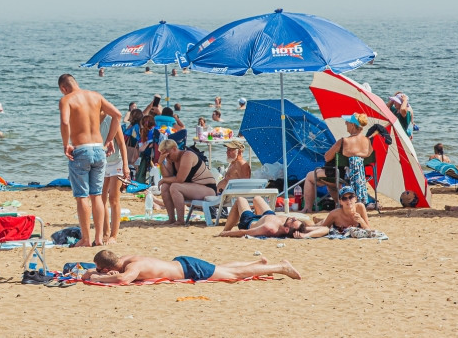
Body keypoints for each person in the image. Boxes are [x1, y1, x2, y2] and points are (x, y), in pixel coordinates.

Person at [58, 73, 122, 247]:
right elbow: (117, 115)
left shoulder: (66, 100)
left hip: (81, 150)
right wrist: (109, 139)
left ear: (63, 88)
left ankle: (86, 239)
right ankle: (99, 238)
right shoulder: (96, 96)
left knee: (82, 197)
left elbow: (65, 122)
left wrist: (66, 144)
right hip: (99, 149)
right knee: (97, 196)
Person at [83, 249, 301, 284]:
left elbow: (123, 279)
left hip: (189, 270)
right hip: (183, 263)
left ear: (107, 268)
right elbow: (116, 272)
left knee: (233, 275)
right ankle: (257, 263)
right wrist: (98, 272)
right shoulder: (125, 259)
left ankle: (281, 267)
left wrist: (98, 278)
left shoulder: (134, 267)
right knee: (221, 267)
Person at [302, 113, 373, 211]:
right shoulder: (367, 141)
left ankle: (307, 208)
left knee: (310, 176)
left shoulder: (344, 141)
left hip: (339, 175)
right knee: (332, 186)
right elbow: (369, 154)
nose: (345, 123)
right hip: (357, 176)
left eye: (347, 122)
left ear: (352, 125)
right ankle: (340, 205)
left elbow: (327, 157)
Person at [158, 139, 217, 225]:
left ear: (174, 149)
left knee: (175, 186)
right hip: (192, 188)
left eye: (168, 155)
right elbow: (167, 177)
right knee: (165, 187)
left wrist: (163, 180)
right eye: (165, 156)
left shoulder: (187, 155)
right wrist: (161, 163)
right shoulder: (171, 160)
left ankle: (180, 220)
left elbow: (180, 179)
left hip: (207, 188)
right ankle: (171, 218)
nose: (167, 158)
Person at [219, 196, 329, 238]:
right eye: (295, 219)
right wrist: (306, 235)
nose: (293, 218)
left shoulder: (269, 228)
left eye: (293, 220)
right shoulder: (296, 227)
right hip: (269, 215)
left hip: (250, 221)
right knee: (257, 198)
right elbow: (325, 229)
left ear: (287, 229)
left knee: (240, 200)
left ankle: (225, 229)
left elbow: (244, 232)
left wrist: (226, 233)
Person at [100, 113, 130, 245]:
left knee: (113, 199)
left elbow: (122, 144)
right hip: (101, 162)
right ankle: (106, 233)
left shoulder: (112, 121)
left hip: (116, 162)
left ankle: (114, 235)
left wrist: (125, 166)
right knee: (100, 199)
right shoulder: (90, 119)